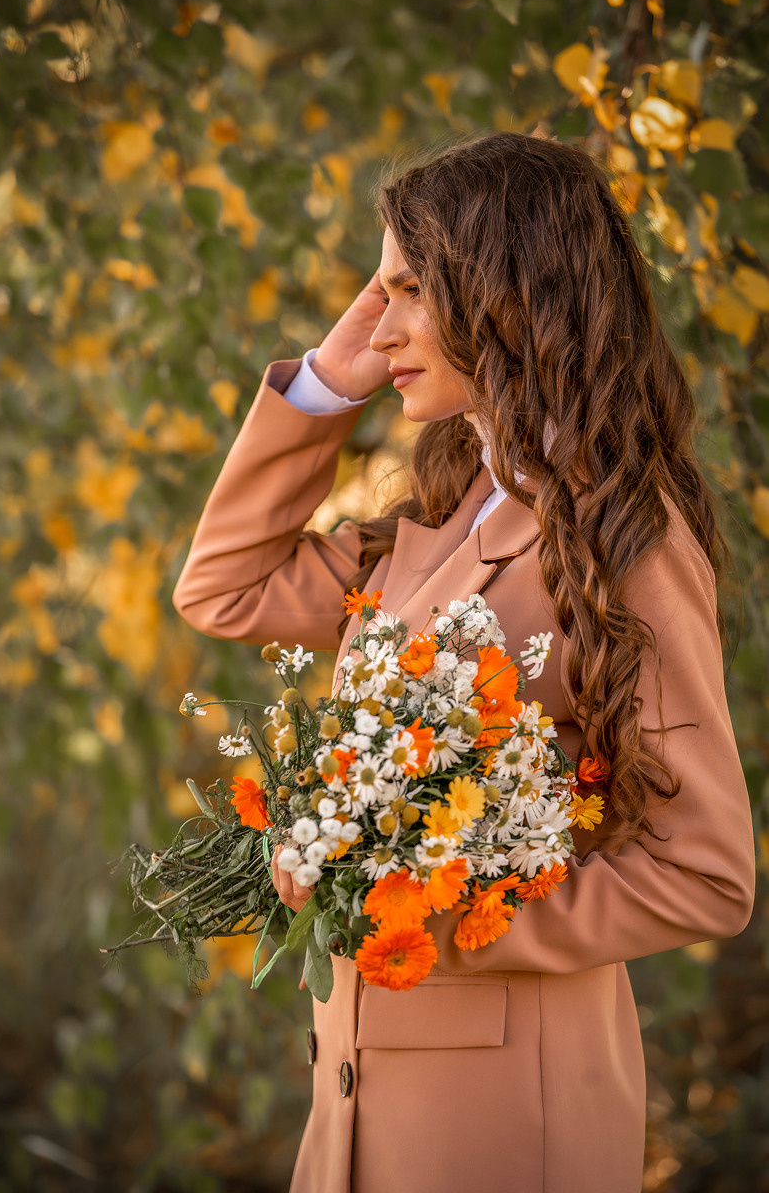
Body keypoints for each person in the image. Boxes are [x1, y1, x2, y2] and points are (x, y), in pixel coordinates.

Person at [171, 131, 755, 1193]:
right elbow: (224, 587)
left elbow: (703, 876)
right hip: (353, 1104)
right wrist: (327, 383)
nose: (380, 324)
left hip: (501, 1120)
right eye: (375, 294)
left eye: (407, 291)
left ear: (504, 298)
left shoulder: (628, 538)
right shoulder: (439, 519)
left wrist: (426, 907)